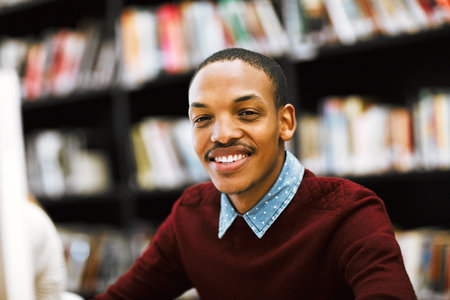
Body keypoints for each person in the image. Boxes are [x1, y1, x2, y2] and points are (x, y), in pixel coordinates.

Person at [95, 48, 416, 299]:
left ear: (285, 123)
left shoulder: (349, 212)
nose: (221, 135)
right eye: (202, 119)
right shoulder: (191, 215)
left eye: (247, 113)